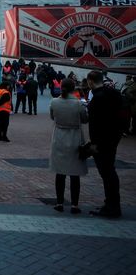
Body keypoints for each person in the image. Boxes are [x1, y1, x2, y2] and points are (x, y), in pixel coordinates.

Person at [86, 70, 123, 218]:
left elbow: (95, 125)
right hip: (113, 139)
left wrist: (94, 143)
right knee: (110, 173)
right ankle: (112, 204)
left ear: (90, 81)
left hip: (102, 142)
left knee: (107, 174)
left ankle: (111, 206)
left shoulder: (98, 99)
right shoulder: (114, 94)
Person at [49, 78, 89, 214]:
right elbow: (84, 120)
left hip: (59, 137)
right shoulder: (78, 104)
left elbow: (52, 117)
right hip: (75, 137)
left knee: (60, 173)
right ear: (74, 89)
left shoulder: (54, 102)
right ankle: (74, 205)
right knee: (74, 173)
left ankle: (59, 202)